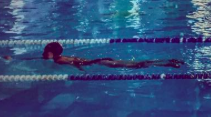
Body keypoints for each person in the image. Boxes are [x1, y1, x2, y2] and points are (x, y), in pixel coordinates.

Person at [42, 42, 184, 70]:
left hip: (101, 62)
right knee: (135, 63)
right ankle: (166, 61)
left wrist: (81, 70)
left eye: (45, 51)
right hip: (101, 60)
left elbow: (74, 63)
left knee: (136, 66)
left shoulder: (60, 61)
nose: (43, 54)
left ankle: (166, 63)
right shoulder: (61, 56)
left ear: (52, 53)